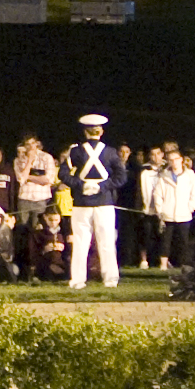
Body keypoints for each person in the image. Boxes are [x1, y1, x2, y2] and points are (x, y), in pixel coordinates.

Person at [61, 113, 126, 288]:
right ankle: (110, 279)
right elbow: (121, 177)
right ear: (101, 131)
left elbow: (63, 174)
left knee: (81, 243)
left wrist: (80, 185)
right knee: (106, 242)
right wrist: (103, 186)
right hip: (104, 202)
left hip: (81, 203)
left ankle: (77, 281)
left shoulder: (75, 151)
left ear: (85, 132)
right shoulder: (111, 153)